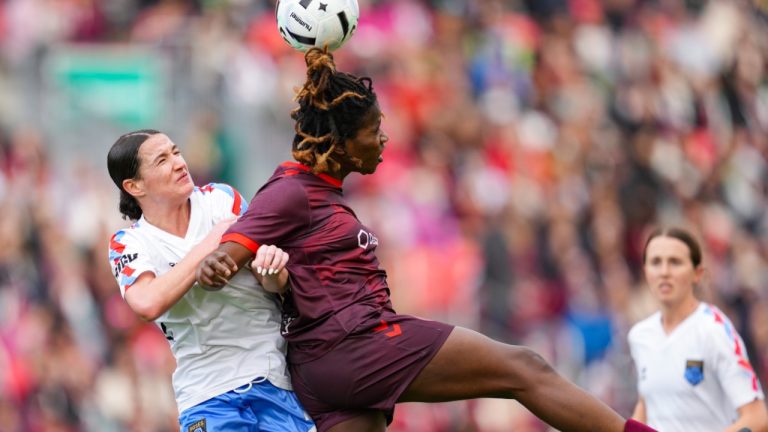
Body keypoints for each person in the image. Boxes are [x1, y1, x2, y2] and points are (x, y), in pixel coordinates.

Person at [195, 47, 655, 432]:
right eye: (373, 132)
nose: (384, 140)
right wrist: (218, 262)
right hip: (356, 343)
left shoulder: (318, 191)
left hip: (327, 366)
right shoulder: (291, 190)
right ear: (339, 141)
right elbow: (232, 251)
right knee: (525, 368)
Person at [106, 129, 316, 432]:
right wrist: (211, 242)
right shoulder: (129, 243)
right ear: (134, 185)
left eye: (176, 152)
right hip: (206, 396)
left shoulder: (220, 200)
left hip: (272, 378)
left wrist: (276, 272)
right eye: (162, 160)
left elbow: (268, 280)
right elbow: (147, 302)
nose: (179, 163)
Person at [628, 227, 768, 432]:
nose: (664, 271)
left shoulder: (714, 330)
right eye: (656, 262)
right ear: (645, 271)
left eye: (675, 262)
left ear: (697, 273)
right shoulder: (640, 335)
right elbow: (647, 403)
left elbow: (758, 418)